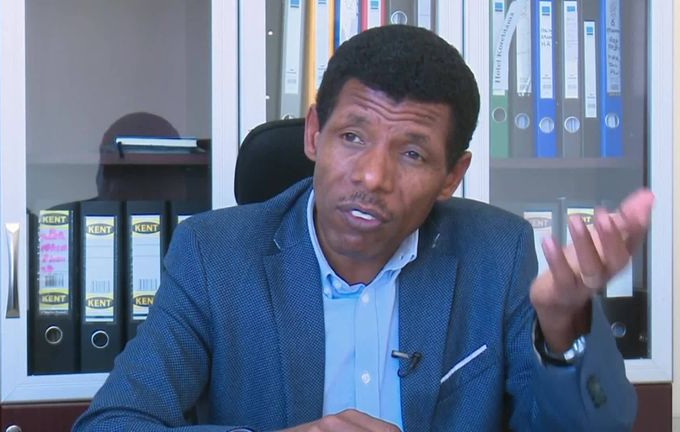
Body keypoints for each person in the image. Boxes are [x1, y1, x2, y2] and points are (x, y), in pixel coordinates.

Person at [74, 25, 650, 431]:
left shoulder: (496, 255)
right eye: (352, 137)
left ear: (452, 176)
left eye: (412, 154)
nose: (373, 176)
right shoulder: (214, 256)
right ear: (313, 135)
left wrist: (564, 329)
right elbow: (114, 422)